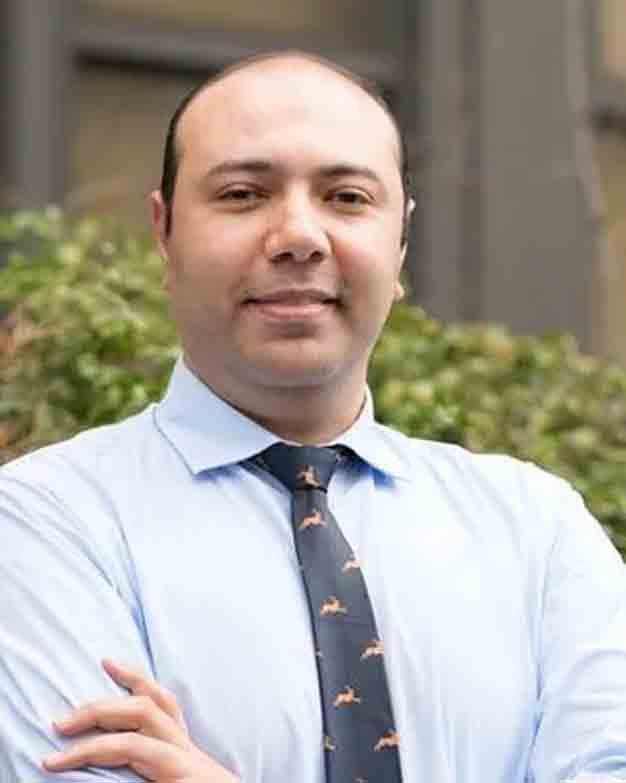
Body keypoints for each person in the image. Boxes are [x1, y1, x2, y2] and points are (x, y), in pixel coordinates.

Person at [1, 50, 626, 783]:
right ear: (164, 234)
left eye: (347, 198)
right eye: (242, 193)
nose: (299, 235)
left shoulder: (540, 535)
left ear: (399, 245)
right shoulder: (44, 527)